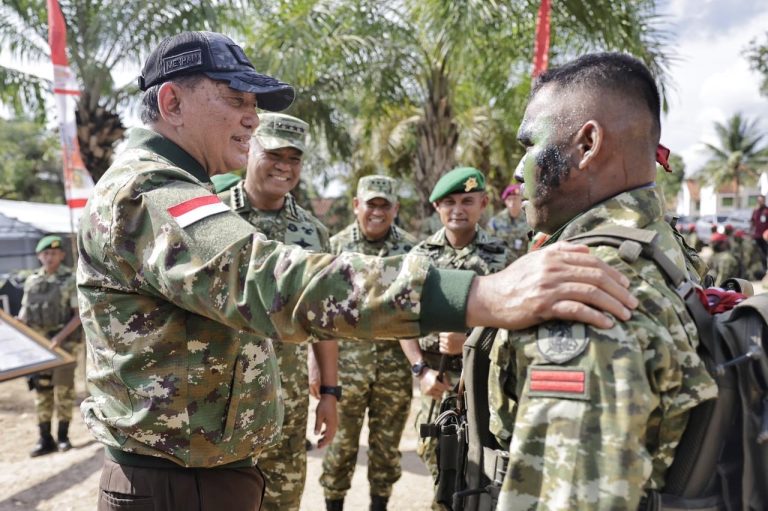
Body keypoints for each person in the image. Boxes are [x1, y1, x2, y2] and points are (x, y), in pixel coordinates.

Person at [76, 31, 637, 511]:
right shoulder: (149, 191)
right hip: (176, 485)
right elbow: (269, 281)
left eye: (255, 100)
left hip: (203, 475)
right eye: (234, 98)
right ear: (172, 101)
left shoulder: (178, 188)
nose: (253, 116)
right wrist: (478, 294)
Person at [482, 52, 717, 510]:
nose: (518, 170)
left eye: (529, 145)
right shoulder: (663, 248)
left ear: (587, 144)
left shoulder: (586, 294)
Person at [212, 112, 339, 511]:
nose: (284, 166)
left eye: (294, 158)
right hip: (215, 399)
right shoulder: (212, 217)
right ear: (250, 149)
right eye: (274, 154)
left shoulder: (313, 232)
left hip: (287, 396)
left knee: (284, 501)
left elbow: (324, 317)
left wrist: (330, 392)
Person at [401, 167, 512, 506]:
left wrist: (468, 337)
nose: (458, 209)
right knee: (441, 472)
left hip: (484, 388)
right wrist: (420, 369)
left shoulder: (501, 257)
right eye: (448, 202)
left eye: (467, 201)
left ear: (484, 203)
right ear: (437, 208)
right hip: (437, 385)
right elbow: (403, 320)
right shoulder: (421, 257)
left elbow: (510, 320)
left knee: (482, 477)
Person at [319, 175, 417, 511]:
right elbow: (319, 315)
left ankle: (379, 506)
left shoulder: (411, 250)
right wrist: (316, 369)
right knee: (339, 448)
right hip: (345, 366)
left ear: (395, 209)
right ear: (356, 205)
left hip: (394, 368)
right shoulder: (334, 247)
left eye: (384, 205)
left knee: (386, 450)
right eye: (370, 204)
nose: (377, 212)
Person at [18, 235, 82, 456]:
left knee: (64, 391)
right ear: (38, 256)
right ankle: (45, 439)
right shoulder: (32, 280)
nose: (49, 257)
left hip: (64, 346)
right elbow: (24, 314)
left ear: (62, 255)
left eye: (54, 253)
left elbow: (78, 315)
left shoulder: (70, 279)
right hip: (39, 347)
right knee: (42, 391)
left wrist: (59, 338)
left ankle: (63, 437)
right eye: (45, 253)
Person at [486, 183, 530, 260]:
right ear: (505, 202)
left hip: (523, 264)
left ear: (521, 200)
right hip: (502, 265)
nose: (512, 203)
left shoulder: (530, 221)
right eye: (509, 199)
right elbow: (488, 245)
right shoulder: (495, 221)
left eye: (515, 199)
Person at [751, 195, 768, 269]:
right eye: (759, 200)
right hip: (756, 236)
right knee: (758, 254)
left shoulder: (766, 211)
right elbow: (752, 222)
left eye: (761, 200)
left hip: (765, 237)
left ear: (764, 201)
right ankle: (762, 269)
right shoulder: (755, 211)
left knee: (766, 253)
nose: (760, 202)